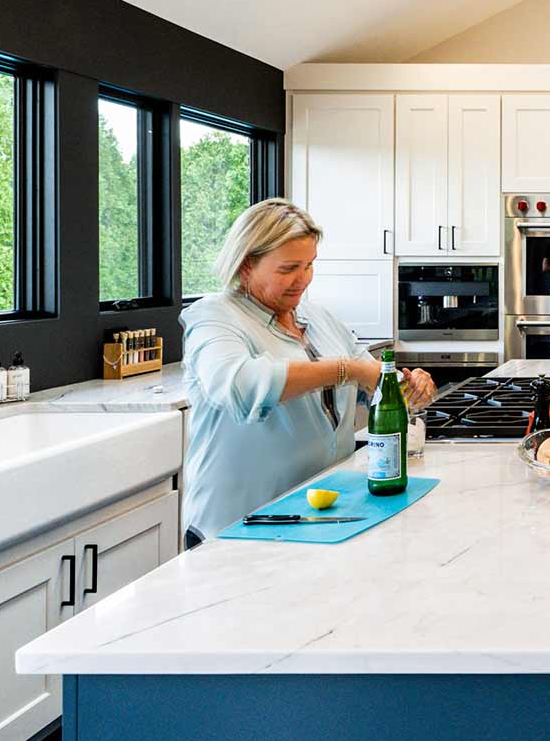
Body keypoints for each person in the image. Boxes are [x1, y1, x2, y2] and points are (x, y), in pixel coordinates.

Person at [179, 198, 436, 547]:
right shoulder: (213, 318)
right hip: (239, 528)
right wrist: (345, 369)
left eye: (309, 266)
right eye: (288, 269)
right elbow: (241, 386)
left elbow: (372, 378)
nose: (302, 280)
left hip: (323, 520)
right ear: (245, 266)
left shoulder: (317, 318)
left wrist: (407, 384)